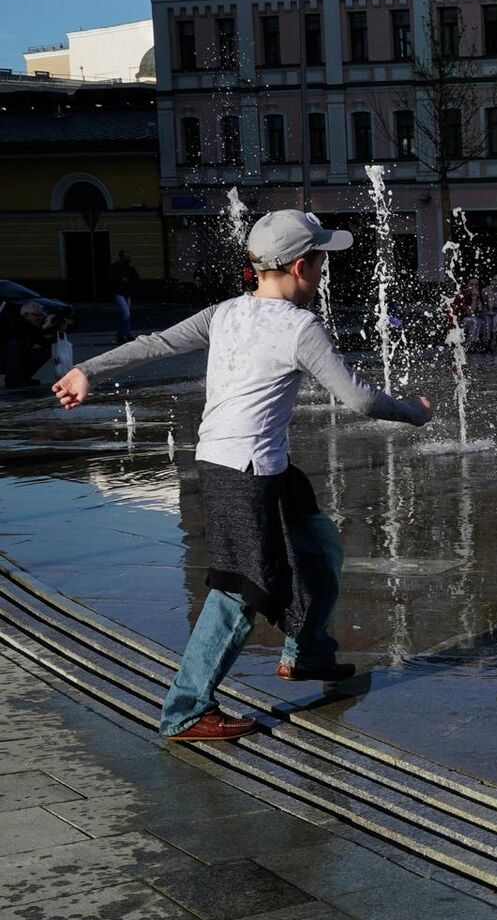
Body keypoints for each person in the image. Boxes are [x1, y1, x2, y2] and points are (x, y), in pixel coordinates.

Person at [51, 210, 433, 742]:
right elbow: (360, 399)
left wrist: (86, 370)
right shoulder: (301, 327)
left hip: (250, 462)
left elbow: (155, 343)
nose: (323, 274)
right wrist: (415, 411)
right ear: (301, 266)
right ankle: (186, 708)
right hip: (244, 471)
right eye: (321, 263)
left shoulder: (224, 312)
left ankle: (307, 652)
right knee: (242, 588)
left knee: (319, 546)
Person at [2, 300, 62, 388]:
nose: (40, 319)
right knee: (15, 345)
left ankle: (22, 377)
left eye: (42, 316)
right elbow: (24, 334)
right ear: (26, 315)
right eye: (37, 316)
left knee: (45, 351)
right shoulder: (12, 321)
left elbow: (42, 341)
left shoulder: (30, 325)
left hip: (15, 358)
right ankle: (12, 380)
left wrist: (57, 331)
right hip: (4, 358)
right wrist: (43, 327)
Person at [111, 251, 139, 344]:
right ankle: (125, 335)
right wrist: (120, 280)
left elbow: (136, 278)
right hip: (119, 292)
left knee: (124, 315)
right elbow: (111, 279)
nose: (127, 258)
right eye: (125, 256)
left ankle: (124, 335)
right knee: (125, 314)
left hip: (127, 292)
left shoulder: (129, 267)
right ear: (121, 257)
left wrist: (132, 268)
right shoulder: (115, 267)